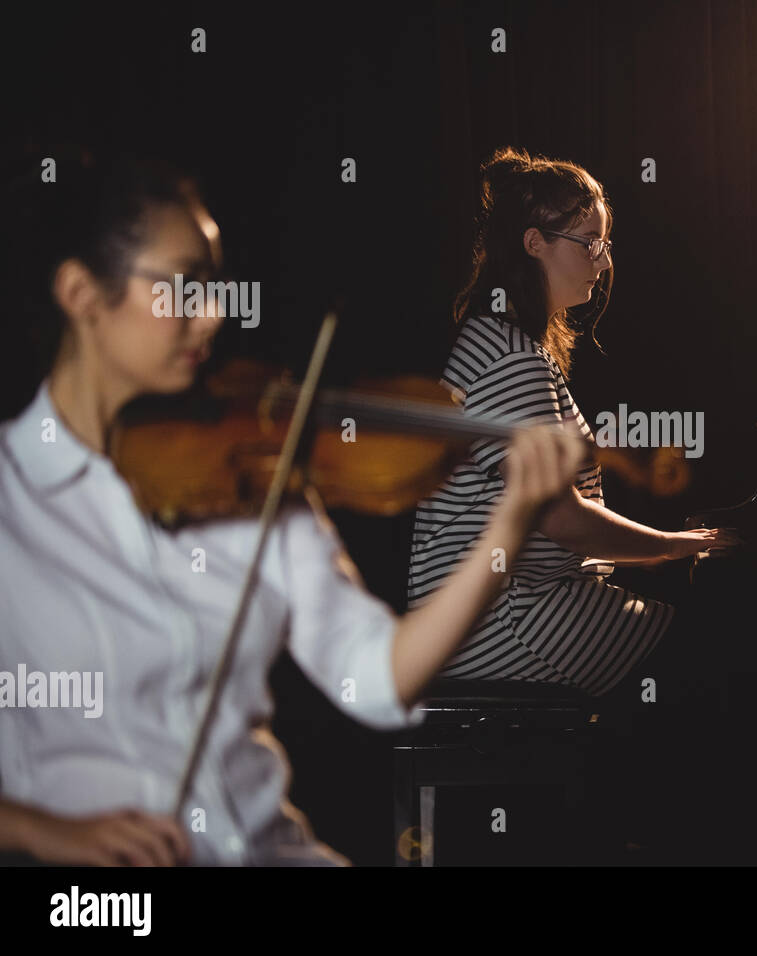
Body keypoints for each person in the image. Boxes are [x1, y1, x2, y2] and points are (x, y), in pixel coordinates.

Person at [0, 155, 586, 866]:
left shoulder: (251, 468)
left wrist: (511, 523)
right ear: (82, 293)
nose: (214, 313)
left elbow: (377, 677)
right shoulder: (12, 498)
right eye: (184, 287)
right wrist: (41, 831)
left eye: (214, 286)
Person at [407, 146, 735, 701]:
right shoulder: (508, 357)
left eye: (604, 246)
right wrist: (672, 546)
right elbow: (560, 516)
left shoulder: (502, 343)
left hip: (505, 613)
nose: (603, 263)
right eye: (591, 245)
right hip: (506, 626)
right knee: (713, 654)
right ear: (535, 244)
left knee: (702, 648)